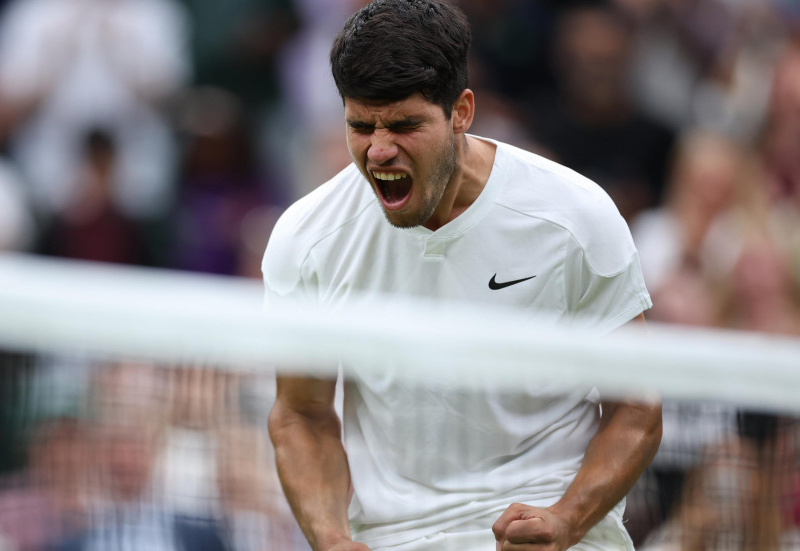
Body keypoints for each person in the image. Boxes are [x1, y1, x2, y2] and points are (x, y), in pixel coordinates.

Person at [261, 1, 662, 550]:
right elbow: (300, 415)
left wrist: (567, 518)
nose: (379, 150)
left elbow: (636, 408)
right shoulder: (307, 240)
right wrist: (332, 540)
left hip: (556, 530)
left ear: (462, 111)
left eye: (404, 125)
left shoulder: (574, 216)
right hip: (394, 540)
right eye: (360, 125)